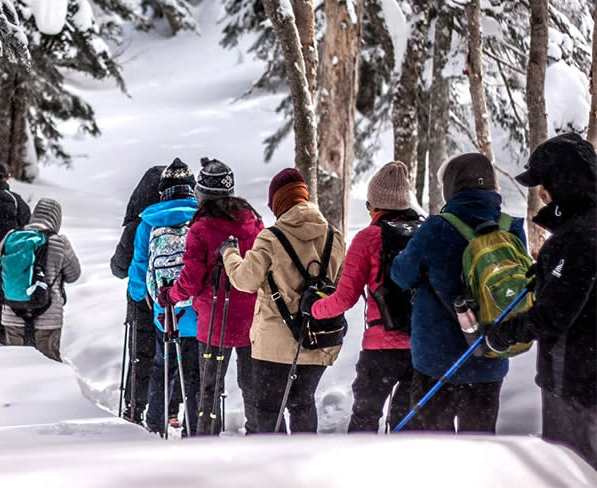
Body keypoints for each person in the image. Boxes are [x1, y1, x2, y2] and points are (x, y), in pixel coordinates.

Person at [390, 153, 525, 432]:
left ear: (452, 186)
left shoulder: (437, 227)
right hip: (490, 355)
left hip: (438, 363)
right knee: (480, 445)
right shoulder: (511, 227)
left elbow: (401, 275)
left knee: (436, 450)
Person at [484, 133, 596, 468]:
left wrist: (502, 333)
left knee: (570, 467)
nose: (541, 194)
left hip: (576, 380)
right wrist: (546, 275)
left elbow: (554, 316)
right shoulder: (580, 229)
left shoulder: (577, 236)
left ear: (563, 181)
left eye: (543, 184)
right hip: (584, 376)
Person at [219, 168, 345, 434]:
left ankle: (274, 468)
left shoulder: (271, 238)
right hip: (318, 339)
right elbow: (341, 288)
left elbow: (245, 280)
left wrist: (229, 253)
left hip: (273, 347)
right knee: (302, 404)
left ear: (277, 202)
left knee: (269, 411)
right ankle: (303, 465)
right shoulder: (334, 238)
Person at [307, 162, 416, 432]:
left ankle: (359, 470)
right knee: (407, 422)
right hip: (421, 345)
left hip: (381, 348)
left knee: (365, 419)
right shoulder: (424, 231)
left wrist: (313, 308)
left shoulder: (368, 238)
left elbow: (345, 298)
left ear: (376, 205)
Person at [158, 157, 263, 435]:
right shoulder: (254, 223)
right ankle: (260, 437)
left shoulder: (201, 229)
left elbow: (191, 279)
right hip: (251, 319)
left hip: (215, 320)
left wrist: (170, 294)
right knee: (252, 384)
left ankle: (205, 441)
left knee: (210, 389)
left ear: (202, 194)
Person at [124, 158, 200, 436]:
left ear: (162, 192)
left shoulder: (148, 222)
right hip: (198, 311)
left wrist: (138, 296)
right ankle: (195, 427)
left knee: (161, 368)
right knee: (195, 374)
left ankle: (155, 426)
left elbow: (139, 265)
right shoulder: (201, 219)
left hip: (164, 312)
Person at [110, 164, 167, 424]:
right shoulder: (184, 220)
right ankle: (169, 409)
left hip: (140, 298)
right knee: (169, 355)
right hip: (172, 298)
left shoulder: (138, 225)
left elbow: (119, 267)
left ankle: (134, 407)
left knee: (140, 354)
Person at [0, 198, 80, 361]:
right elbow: (74, 275)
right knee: (47, 366)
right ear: (56, 219)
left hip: (13, 311)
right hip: (48, 318)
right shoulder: (60, 242)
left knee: (15, 364)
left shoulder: (11, 236)